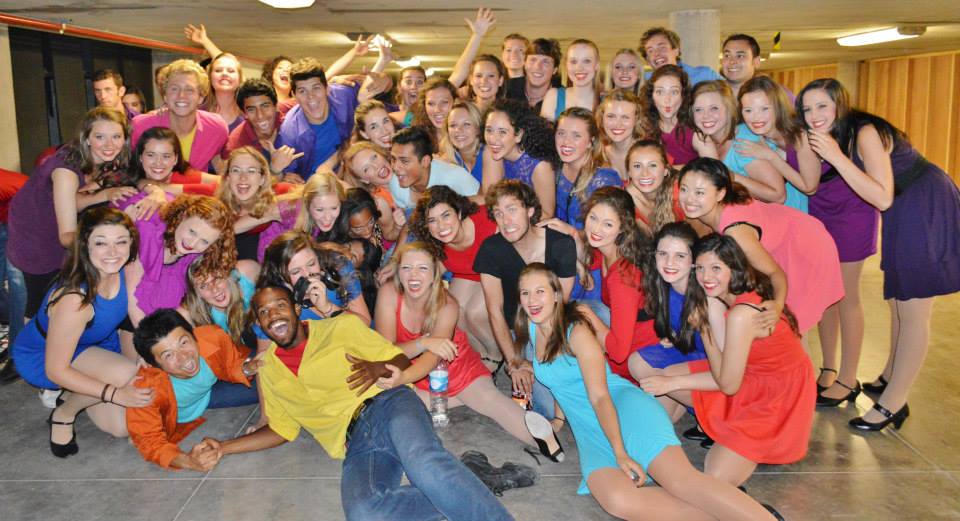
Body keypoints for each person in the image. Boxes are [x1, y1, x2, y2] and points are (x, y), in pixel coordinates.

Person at [197, 285, 515, 521]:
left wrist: (379, 367)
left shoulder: (340, 326)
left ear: (295, 308)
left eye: (280, 305)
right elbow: (281, 430)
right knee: (365, 512)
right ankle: (467, 481)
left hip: (389, 405)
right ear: (259, 323)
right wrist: (224, 447)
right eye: (264, 312)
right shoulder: (269, 370)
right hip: (356, 444)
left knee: (425, 465)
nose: (273, 315)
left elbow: (399, 360)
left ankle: (461, 489)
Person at [515, 264, 779, 521]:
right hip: (590, 432)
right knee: (618, 501)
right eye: (525, 293)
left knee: (681, 482)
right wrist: (559, 419)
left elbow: (600, 396)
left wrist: (620, 452)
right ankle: (731, 511)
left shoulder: (577, 332)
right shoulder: (533, 325)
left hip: (623, 410)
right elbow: (561, 381)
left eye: (540, 291)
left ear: (557, 295)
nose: (532, 300)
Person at [797, 78, 960, 430]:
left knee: (913, 307)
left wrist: (836, 156)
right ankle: (889, 376)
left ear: (840, 104)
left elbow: (881, 197)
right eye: (807, 109)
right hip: (903, 206)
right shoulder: (839, 134)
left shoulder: (865, 131)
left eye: (822, 106)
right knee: (898, 298)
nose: (814, 115)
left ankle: (894, 403)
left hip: (923, 200)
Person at [639, 234, 816, 486]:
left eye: (716, 268)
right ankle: (654, 443)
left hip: (775, 394)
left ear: (734, 269)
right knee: (666, 374)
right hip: (750, 374)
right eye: (700, 268)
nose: (706, 276)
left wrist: (704, 332)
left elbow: (729, 384)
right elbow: (727, 369)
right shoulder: (732, 296)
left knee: (715, 478)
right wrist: (671, 380)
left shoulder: (741, 314)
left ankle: (735, 433)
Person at [375, 241, 559, 453]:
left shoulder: (447, 304)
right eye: (406, 268)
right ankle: (463, 398)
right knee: (390, 404)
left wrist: (403, 377)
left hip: (452, 364)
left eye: (422, 268)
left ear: (435, 274)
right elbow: (386, 352)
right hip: (409, 370)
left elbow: (431, 359)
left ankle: (550, 444)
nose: (413, 275)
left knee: (491, 400)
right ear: (398, 272)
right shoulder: (389, 293)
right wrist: (422, 342)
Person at [13, 208, 151, 457]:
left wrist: (145, 351)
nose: (113, 252)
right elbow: (56, 370)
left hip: (100, 343)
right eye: (101, 243)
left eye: (121, 242)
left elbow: (134, 315)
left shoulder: (129, 267)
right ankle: (65, 412)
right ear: (85, 245)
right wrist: (115, 394)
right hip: (46, 355)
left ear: (131, 243)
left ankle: (74, 394)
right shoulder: (74, 300)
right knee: (127, 376)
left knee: (121, 427)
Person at [8, 107, 146, 323]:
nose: (109, 144)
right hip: (34, 235)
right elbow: (66, 236)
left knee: (55, 301)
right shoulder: (66, 170)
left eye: (116, 137)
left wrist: (105, 193)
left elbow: (72, 200)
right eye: (100, 137)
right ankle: (25, 343)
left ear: (125, 139)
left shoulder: (102, 160)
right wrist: (110, 246)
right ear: (87, 138)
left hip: (53, 220)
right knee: (38, 305)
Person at [678, 157, 843, 336]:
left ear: (720, 194)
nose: (689, 199)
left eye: (699, 192)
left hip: (806, 246)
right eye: (684, 189)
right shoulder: (713, 208)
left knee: (791, 327)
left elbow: (775, 273)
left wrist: (777, 305)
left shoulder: (736, 232)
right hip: (785, 236)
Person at [474, 181, 577, 419]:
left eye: (512, 209)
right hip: (519, 330)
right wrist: (514, 361)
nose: (506, 220)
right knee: (544, 408)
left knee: (598, 314)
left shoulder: (561, 244)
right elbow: (494, 310)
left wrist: (542, 360)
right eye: (498, 213)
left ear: (530, 210)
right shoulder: (491, 249)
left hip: (553, 326)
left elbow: (560, 307)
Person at [127, 309, 260, 470]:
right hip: (195, 406)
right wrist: (188, 461)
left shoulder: (212, 336)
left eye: (184, 343)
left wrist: (246, 369)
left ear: (193, 334)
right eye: (169, 355)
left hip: (211, 386)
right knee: (265, 387)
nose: (183, 357)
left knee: (271, 364)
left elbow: (231, 363)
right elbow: (149, 442)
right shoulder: (147, 387)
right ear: (154, 365)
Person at [409, 186, 499, 364]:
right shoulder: (434, 242)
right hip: (470, 275)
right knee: (452, 310)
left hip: (498, 272)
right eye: (432, 220)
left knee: (474, 313)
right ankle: (480, 356)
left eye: (446, 215)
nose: (441, 226)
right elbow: (431, 272)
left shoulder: (486, 220)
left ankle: (496, 356)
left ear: (458, 213)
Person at [627, 223, 707, 415]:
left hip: (717, 366)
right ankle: (667, 420)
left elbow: (727, 363)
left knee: (667, 374)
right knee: (637, 362)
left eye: (680, 256)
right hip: (690, 351)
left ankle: (713, 416)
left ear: (694, 260)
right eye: (663, 254)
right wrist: (677, 336)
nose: (669, 262)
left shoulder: (706, 295)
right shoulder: (664, 287)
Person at [578, 187, 657, 381]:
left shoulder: (623, 277)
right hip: (629, 334)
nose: (596, 229)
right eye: (593, 218)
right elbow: (586, 251)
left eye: (608, 224)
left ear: (622, 228)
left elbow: (619, 352)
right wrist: (579, 264)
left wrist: (586, 313)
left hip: (639, 352)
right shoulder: (607, 249)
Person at [125, 195, 237, 326]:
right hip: (129, 319)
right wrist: (153, 190)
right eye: (192, 232)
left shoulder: (193, 258)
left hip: (158, 324)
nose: (192, 243)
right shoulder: (147, 233)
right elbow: (133, 306)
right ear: (182, 217)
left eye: (204, 241)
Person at [732, 76, 820, 211]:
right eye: (748, 110)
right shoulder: (758, 135)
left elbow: (810, 188)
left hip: (832, 199)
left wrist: (770, 156)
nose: (756, 117)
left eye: (764, 109)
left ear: (778, 107)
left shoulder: (800, 136)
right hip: (802, 205)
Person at [690, 80, 785, 204]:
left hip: (789, 213)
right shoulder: (705, 141)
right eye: (698, 110)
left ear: (729, 109)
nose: (706, 116)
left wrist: (730, 176)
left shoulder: (744, 140)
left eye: (714, 108)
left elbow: (778, 197)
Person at [131, 59, 230, 173]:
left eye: (189, 90)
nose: (181, 95)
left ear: (201, 97)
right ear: (165, 96)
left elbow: (220, 164)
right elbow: (130, 171)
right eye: (174, 89)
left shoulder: (216, 129)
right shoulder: (141, 127)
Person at [276, 58, 360, 180]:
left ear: (327, 88)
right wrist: (284, 176)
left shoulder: (343, 95)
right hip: (316, 185)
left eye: (316, 88)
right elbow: (286, 173)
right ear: (294, 96)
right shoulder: (289, 132)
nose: (311, 96)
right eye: (302, 91)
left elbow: (375, 88)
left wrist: (384, 81)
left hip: (354, 174)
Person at [482, 99, 558, 218]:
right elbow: (491, 201)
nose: (492, 139)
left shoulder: (539, 166)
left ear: (518, 135)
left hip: (534, 223)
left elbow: (546, 214)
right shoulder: (491, 151)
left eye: (502, 132)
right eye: (489, 130)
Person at [553, 107, 623, 227]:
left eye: (576, 136)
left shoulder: (604, 179)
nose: (566, 141)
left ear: (591, 142)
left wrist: (574, 233)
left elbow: (609, 230)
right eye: (561, 133)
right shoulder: (553, 165)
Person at [225, 79, 303, 181]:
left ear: (276, 106)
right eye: (251, 109)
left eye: (265, 106)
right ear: (244, 114)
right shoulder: (237, 143)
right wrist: (275, 172)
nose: (260, 115)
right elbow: (239, 183)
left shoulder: (293, 118)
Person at [389, 126, 479, 211]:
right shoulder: (395, 183)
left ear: (425, 161)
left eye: (404, 161)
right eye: (393, 159)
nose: (395, 167)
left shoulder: (455, 177)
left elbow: (482, 204)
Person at [639, 65, 710, 167]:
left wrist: (674, 170)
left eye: (674, 92)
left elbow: (716, 172)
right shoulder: (643, 129)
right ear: (651, 96)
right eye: (660, 92)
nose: (667, 99)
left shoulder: (696, 132)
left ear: (683, 96)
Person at [180, 259, 259, 347]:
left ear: (226, 276)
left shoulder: (247, 272)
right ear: (198, 294)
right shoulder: (197, 315)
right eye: (203, 286)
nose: (214, 289)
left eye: (216, 279)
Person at [134, 127, 220, 196]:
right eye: (151, 155)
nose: (158, 162)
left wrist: (164, 188)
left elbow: (223, 184)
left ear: (175, 159)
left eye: (166, 156)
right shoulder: (131, 182)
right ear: (140, 157)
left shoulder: (184, 176)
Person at [624, 140, 685, 233]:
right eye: (637, 166)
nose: (645, 173)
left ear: (665, 170)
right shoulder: (624, 203)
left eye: (652, 165)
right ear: (629, 172)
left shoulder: (680, 193)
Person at [540, 39, 602, 122]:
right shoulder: (553, 96)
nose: (579, 67)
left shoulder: (606, 102)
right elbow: (542, 130)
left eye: (587, 61)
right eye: (573, 61)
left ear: (597, 65)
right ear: (566, 65)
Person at [638, 27, 721, 86]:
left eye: (662, 47)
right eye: (650, 51)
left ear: (676, 50)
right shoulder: (643, 83)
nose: (656, 53)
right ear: (647, 60)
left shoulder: (705, 76)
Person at [597, 88, 648, 181]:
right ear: (602, 118)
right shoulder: (596, 155)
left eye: (625, 117)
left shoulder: (651, 152)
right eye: (611, 116)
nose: (618, 124)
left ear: (637, 120)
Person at [504, 38, 562, 113]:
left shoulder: (563, 99)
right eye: (533, 60)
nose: (537, 67)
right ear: (524, 63)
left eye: (546, 62)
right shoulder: (507, 91)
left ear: (554, 70)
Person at [439, 100, 485, 183]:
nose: (458, 130)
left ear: (478, 129)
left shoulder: (489, 155)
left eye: (466, 124)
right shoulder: (447, 161)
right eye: (453, 125)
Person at [409, 77, 458, 147]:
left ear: (455, 102)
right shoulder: (416, 139)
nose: (437, 110)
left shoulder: (465, 137)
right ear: (424, 106)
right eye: (431, 104)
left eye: (444, 102)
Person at [204, 52, 245, 132]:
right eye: (218, 70)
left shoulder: (248, 115)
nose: (224, 74)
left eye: (231, 71)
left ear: (239, 78)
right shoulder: (197, 113)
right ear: (210, 77)